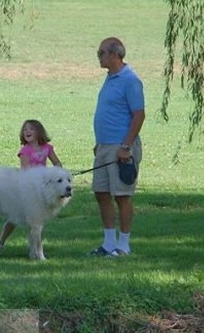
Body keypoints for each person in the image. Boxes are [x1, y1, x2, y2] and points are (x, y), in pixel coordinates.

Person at [90, 37, 145, 257]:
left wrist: (126, 146)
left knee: (122, 195)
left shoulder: (130, 80)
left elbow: (139, 114)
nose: (99, 56)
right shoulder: (110, 78)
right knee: (101, 193)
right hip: (104, 146)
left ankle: (124, 245)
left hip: (121, 148)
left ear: (115, 55)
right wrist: (99, 143)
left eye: (101, 53)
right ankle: (108, 243)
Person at [0, 119, 62, 256]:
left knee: (38, 220)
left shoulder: (47, 148)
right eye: (25, 130)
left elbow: (57, 163)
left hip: (42, 189)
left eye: (31, 129)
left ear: (39, 132)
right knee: (13, 219)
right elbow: (26, 170)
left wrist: (57, 174)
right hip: (27, 189)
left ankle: (34, 249)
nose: (27, 132)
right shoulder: (25, 151)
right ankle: (0, 242)